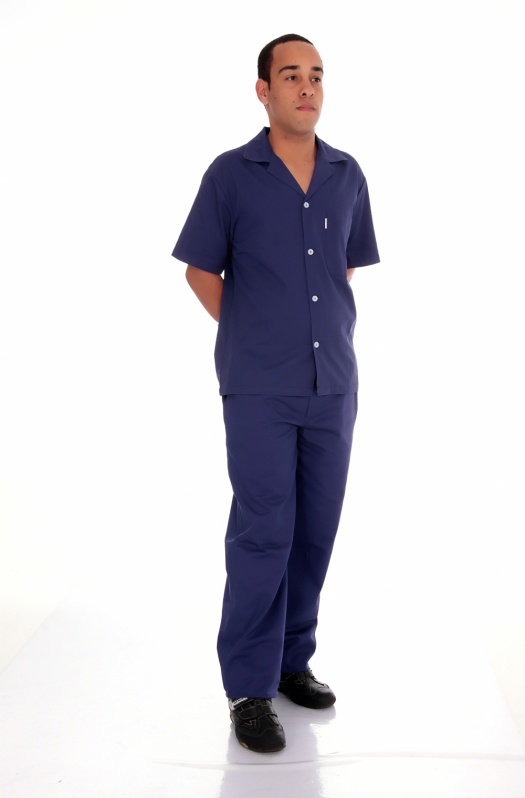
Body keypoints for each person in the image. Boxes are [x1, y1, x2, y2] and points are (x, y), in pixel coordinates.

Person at [172, 33, 380, 754]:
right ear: (263, 90)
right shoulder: (231, 174)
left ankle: (292, 661)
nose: (306, 87)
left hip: (333, 385)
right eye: (290, 75)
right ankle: (249, 689)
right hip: (259, 386)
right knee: (264, 531)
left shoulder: (347, 174)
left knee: (315, 529)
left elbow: (343, 269)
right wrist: (256, 332)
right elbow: (200, 270)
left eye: (316, 75)